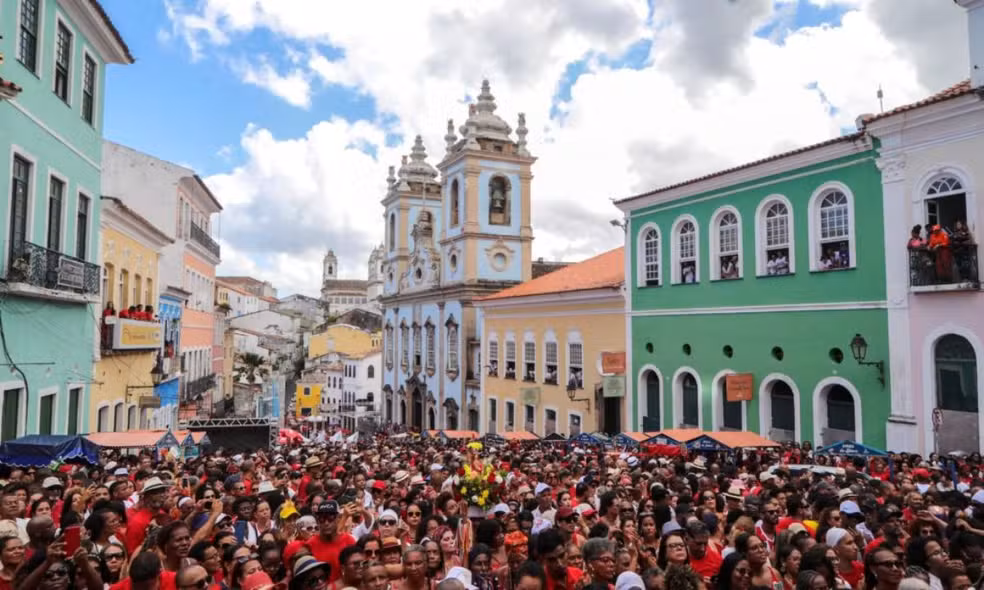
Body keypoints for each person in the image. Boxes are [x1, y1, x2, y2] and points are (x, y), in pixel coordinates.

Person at [304, 501, 354, 584]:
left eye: (330, 518)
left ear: (338, 518)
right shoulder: (309, 545)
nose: (326, 523)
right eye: (322, 518)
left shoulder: (349, 541)